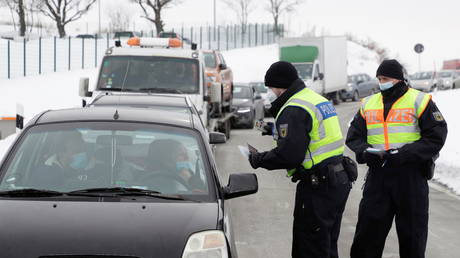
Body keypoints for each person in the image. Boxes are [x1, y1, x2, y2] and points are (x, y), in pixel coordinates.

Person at [248, 61, 352, 258]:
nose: (270, 92)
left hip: (318, 186)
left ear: (279, 86)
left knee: (310, 247)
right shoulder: (315, 99)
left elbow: (290, 155)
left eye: (270, 87)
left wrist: (258, 159)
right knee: (327, 245)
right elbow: (309, 134)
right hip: (338, 180)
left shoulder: (293, 108)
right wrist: (270, 129)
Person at [346, 59, 448, 258]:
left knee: (412, 239)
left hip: (410, 177)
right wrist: (366, 152)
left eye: (385, 78)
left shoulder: (420, 100)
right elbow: (354, 136)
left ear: (399, 79)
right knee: (366, 238)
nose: (381, 82)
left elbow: (436, 137)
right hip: (378, 176)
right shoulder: (369, 103)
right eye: (379, 78)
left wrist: (404, 154)